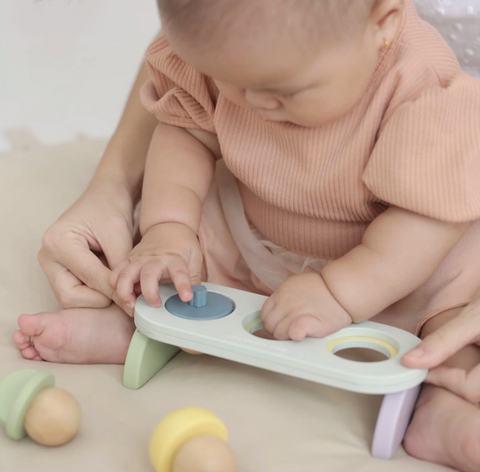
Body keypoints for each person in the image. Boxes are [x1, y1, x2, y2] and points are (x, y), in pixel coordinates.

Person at [13, 0, 480, 469]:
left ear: (383, 23)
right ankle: (145, 320)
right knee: (181, 244)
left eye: (284, 91)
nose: (254, 102)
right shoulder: (236, 55)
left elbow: (425, 217)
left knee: (455, 303)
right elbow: (186, 132)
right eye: (231, 83)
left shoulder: (420, 88)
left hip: (398, 255)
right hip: (256, 228)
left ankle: (443, 400)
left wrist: (340, 291)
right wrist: (168, 230)